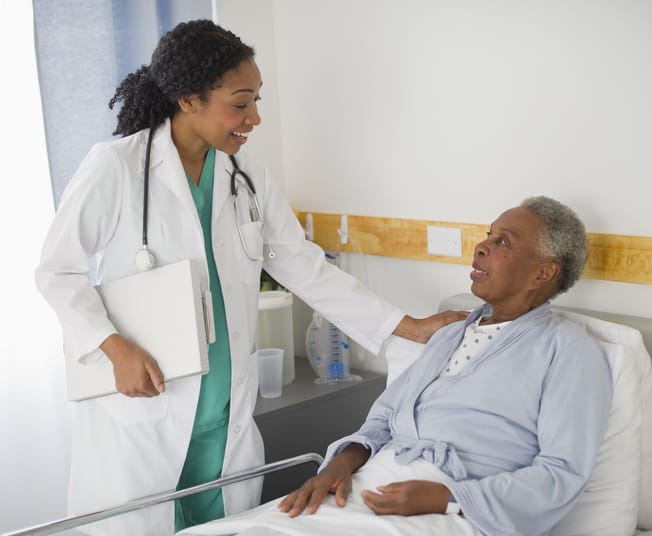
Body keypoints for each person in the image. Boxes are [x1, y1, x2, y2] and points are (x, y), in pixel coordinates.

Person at [34, 20, 463, 536]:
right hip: (147, 403)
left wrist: (406, 325)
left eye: (257, 100)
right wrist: (112, 346)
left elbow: (303, 266)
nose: (254, 117)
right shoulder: (118, 167)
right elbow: (56, 271)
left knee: (221, 524)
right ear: (189, 98)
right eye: (241, 103)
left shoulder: (246, 177)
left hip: (225, 407)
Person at [176, 196, 613, 536]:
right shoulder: (451, 333)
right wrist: (338, 465)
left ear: (543, 273)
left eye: (503, 242)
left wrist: (446, 498)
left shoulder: (569, 352)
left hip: (462, 510)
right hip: (372, 482)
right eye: (488, 235)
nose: (481, 247)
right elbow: (384, 418)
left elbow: (560, 475)